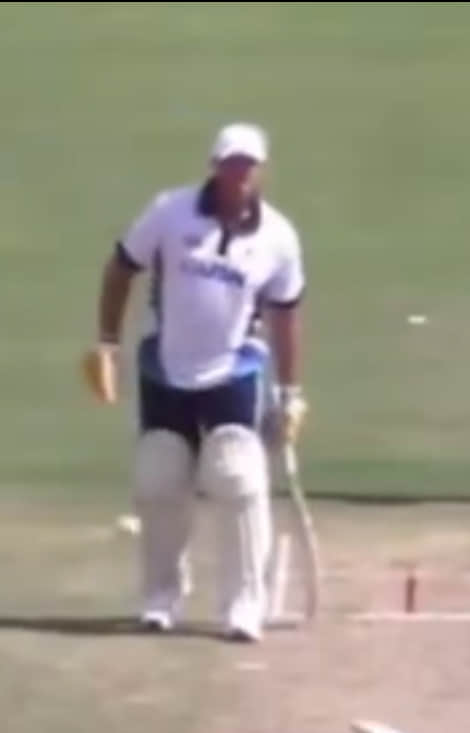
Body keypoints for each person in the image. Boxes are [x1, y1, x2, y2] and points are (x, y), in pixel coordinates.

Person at [87, 122, 307, 642]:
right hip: (166, 366)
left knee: (237, 477)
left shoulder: (278, 236)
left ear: (260, 170)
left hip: (235, 370)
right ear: (215, 165)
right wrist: (107, 344)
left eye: (248, 164)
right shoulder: (170, 211)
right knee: (159, 480)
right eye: (231, 163)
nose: (239, 173)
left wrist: (291, 393)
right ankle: (161, 597)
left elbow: (287, 313)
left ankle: (244, 606)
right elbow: (121, 267)